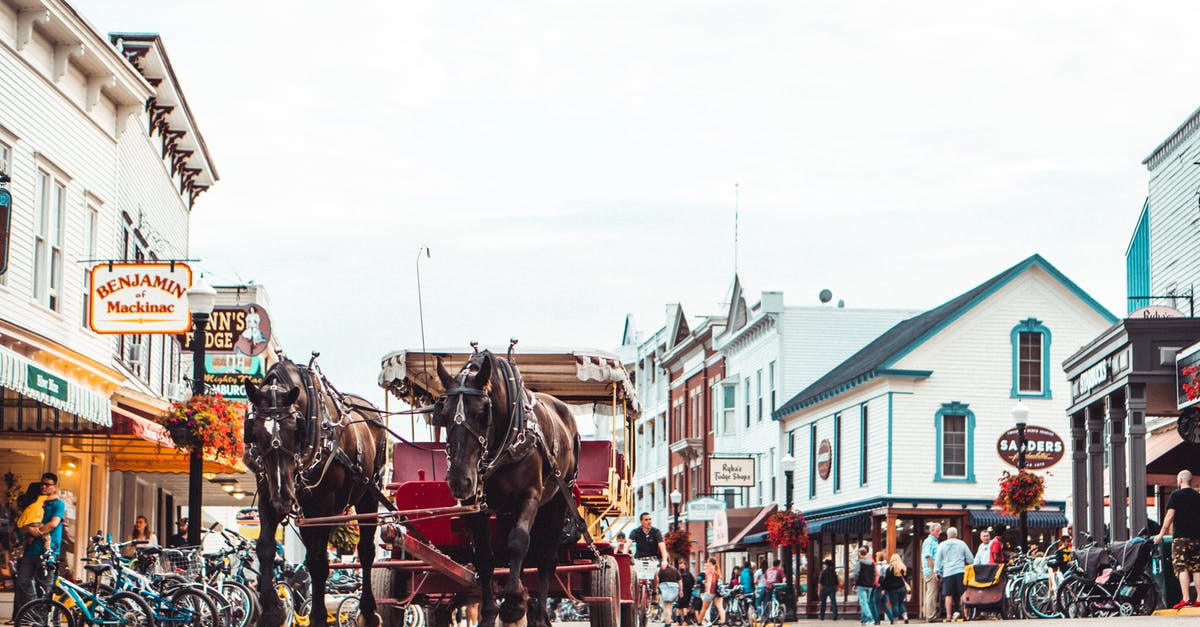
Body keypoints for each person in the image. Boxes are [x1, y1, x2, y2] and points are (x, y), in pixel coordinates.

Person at [12, 473, 64, 622]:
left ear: (55, 487)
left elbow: (54, 523)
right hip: (30, 550)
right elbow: (26, 521)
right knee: (22, 581)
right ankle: (33, 613)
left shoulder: (58, 504)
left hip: (48, 550)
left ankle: (44, 620)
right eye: (42, 484)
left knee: (45, 586)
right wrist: (28, 530)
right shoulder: (36, 502)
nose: (44, 486)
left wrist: (37, 532)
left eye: (47, 484)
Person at [1153, 469, 1200, 609]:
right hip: (1197, 538)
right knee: (1197, 568)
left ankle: (1185, 598)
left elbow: (1169, 516)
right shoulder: (1198, 496)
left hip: (1180, 538)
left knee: (1182, 567)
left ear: (1179, 480)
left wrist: (1161, 534)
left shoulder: (1176, 495)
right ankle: (1199, 598)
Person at [933, 527, 972, 622]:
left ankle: (948, 616)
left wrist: (937, 572)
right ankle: (964, 614)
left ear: (947, 535)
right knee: (962, 592)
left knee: (948, 594)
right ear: (956, 534)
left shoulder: (942, 545)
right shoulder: (962, 544)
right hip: (960, 571)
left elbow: (937, 560)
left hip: (948, 573)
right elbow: (970, 559)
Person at [880, 554, 910, 625]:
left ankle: (895, 620)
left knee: (895, 604)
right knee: (901, 603)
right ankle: (905, 616)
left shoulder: (889, 569)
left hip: (893, 590)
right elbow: (905, 579)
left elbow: (886, 580)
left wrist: (883, 588)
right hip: (902, 588)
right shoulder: (903, 568)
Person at [851, 546, 877, 625]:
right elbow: (874, 573)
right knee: (866, 602)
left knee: (863, 602)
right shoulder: (872, 563)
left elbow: (856, 574)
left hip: (861, 585)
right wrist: (872, 582)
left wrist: (855, 583)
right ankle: (863, 620)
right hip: (869, 585)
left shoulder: (859, 562)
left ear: (859, 554)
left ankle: (870, 618)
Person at [921, 522, 941, 620]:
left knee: (932, 592)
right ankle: (930, 615)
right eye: (937, 531)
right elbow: (928, 556)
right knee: (932, 593)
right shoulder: (929, 541)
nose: (939, 532)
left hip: (931, 569)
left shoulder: (934, 541)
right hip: (931, 570)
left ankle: (931, 614)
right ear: (931, 531)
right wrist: (934, 571)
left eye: (939, 530)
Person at [699, 556, 726, 626]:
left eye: (708, 562)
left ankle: (699, 621)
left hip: (711, 591)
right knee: (720, 607)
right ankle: (723, 621)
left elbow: (710, 581)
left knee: (704, 608)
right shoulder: (717, 571)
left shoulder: (709, 571)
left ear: (710, 563)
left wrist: (707, 590)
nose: (707, 564)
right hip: (718, 592)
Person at [677, 559, 697, 625]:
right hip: (683, 591)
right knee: (682, 606)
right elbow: (693, 582)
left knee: (680, 606)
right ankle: (683, 620)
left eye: (683, 565)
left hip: (684, 591)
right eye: (681, 565)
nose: (682, 567)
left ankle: (680, 620)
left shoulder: (680, 573)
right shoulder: (687, 574)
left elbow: (693, 582)